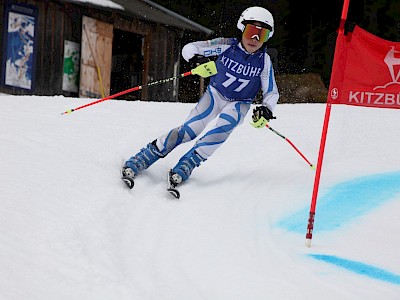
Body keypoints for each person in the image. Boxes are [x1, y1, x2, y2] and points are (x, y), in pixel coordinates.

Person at [122, 6, 279, 189]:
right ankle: (146, 156)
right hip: (215, 95)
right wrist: (199, 60)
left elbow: (271, 91)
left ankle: (188, 164)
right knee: (189, 130)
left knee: (223, 129)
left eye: (262, 35)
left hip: (239, 103)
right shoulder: (227, 45)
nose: (254, 39)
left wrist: (266, 109)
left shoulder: (264, 61)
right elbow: (193, 48)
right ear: (242, 28)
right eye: (252, 31)